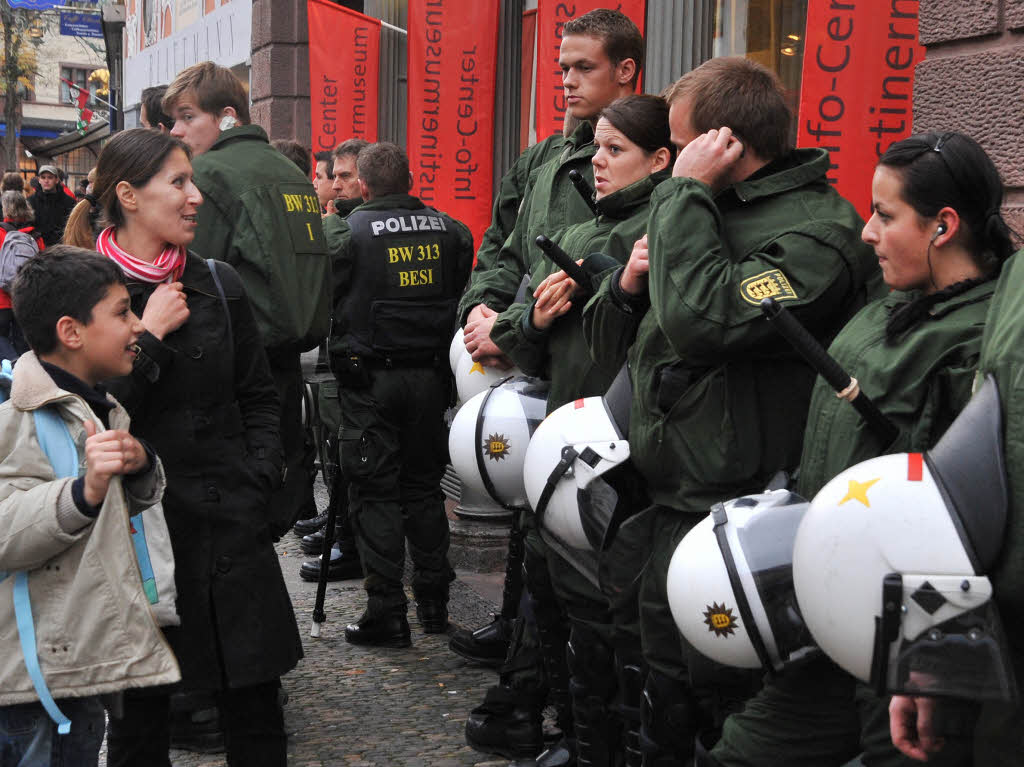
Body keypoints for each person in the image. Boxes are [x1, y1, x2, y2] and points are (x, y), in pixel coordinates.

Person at [582, 56, 882, 764]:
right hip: (668, 496)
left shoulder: (817, 231)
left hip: (743, 518)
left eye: (681, 144)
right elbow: (618, 346)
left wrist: (686, 196)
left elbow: (706, 322)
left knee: (725, 706)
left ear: (722, 143)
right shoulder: (700, 204)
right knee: (657, 696)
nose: (669, 165)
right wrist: (625, 285)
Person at [705, 131, 1013, 767]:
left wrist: (926, 666)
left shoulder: (977, 341)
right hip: (827, 608)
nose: (867, 232)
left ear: (944, 225)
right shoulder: (888, 306)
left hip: (903, 632)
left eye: (885, 215)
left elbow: (963, 521)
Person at [63, 128, 302, 766]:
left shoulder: (218, 282)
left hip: (231, 528)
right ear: (128, 196)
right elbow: (84, 421)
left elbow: (259, 393)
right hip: (139, 538)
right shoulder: (81, 293)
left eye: (192, 180)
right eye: (178, 182)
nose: (196, 196)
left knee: (256, 714)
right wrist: (151, 338)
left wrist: (259, 476)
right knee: (142, 727)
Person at [459, 10, 644, 765]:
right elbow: (502, 246)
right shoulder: (541, 157)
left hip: (591, 380)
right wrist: (483, 306)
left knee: (574, 560)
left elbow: (587, 271)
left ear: (625, 71)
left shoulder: (635, 154)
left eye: (582, 68)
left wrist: (508, 325)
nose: (565, 80)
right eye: (561, 67)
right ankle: (526, 694)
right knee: (534, 539)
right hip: (532, 372)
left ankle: (562, 718)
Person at [489, 93, 673, 766]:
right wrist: (534, 319)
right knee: (560, 618)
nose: (597, 161)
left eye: (615, 150)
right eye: (595, 147)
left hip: (619, 462)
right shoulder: (571, 233)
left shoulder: (663, 231)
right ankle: (571, 738)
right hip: (557, 454)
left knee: (611, 636)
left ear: (660, 159)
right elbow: (514, 341)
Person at [0, 246, 179, 765]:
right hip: (29, 685)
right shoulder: (17, 420)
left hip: (74, 671)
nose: (139, 326)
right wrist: (81, 493)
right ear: (71, 332)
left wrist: (143, 463)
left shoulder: (99, 405)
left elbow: (124, 513)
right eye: (123, 312)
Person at [163, 61, 332, 540]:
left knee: (228, 518)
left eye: (187, 116)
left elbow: (193, 272)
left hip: (230, 367)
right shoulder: (292, 172)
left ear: (228, 116)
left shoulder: (209, 174)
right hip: (288, 366)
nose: (177, 130)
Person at [328, 141, 473, 647]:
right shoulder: (452, 231)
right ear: (410, 181)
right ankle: (434, 604)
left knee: (375, 493)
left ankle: (386, 611)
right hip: (431, 380)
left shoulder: (347, 232)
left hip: (370, 382)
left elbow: (326, 294)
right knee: (424, 488)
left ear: (363, 186)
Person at [298, 136, 371, 584]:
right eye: (335, 177)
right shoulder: (343, 221)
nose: (336, 186)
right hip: (342, 348)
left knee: (353, 455)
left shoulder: (351, 227)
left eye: (345, 177)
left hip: (362, 358)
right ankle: (338, 521)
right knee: (336, 450)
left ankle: (350, 536)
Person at [0, 190, 44, 358]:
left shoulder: (0, 233)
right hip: (25, 297)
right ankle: (22, 371)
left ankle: (11, 365)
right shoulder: (35, 235)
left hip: (2, 299)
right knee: (22, 340)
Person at [28, 165, 76, 247]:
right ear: (39, 180)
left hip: (61, 247)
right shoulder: (30, 201)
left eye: (50, 177)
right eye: (43, 177)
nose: (46, 181)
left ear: (56, 180)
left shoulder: (69, 202)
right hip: (38, 247)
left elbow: (72, 226)